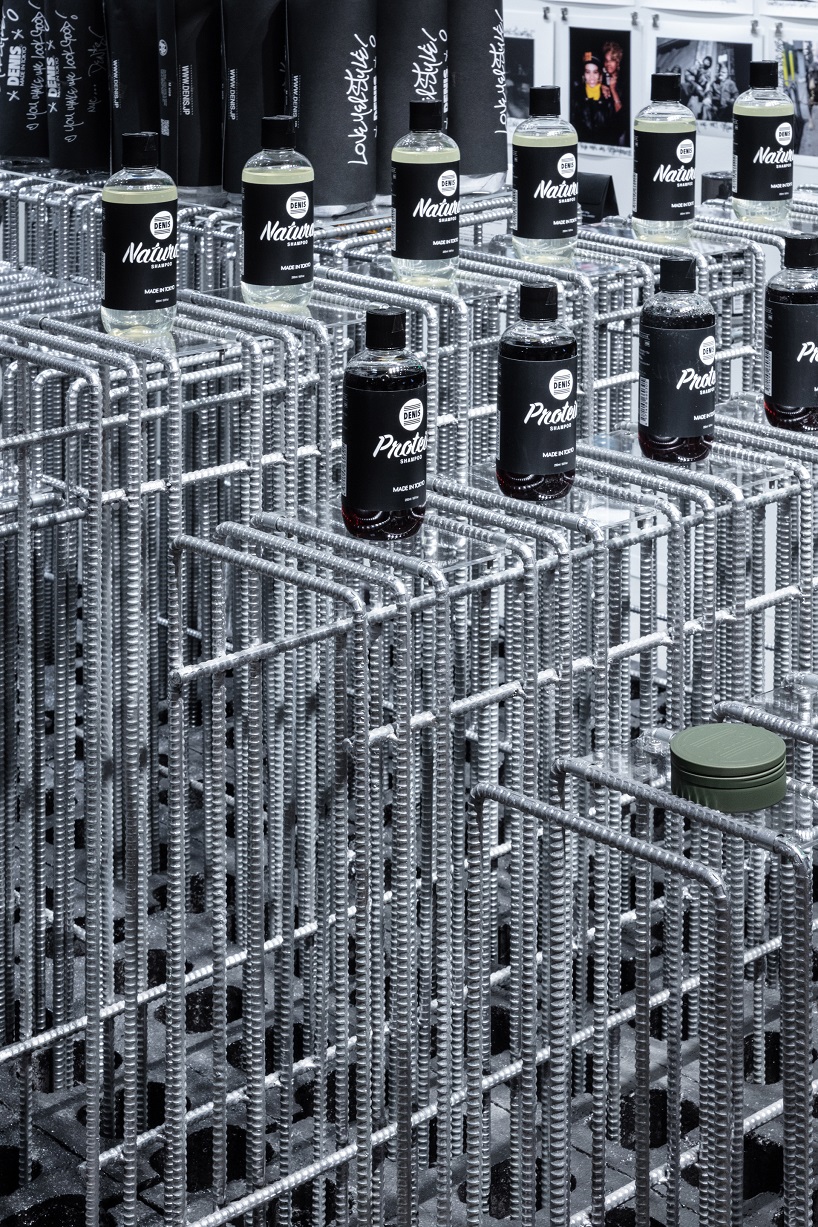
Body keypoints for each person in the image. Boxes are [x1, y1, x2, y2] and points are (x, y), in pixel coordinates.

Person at [573, 51, 617, 145]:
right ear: (583, 75)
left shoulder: (607, 96)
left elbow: (613, 128)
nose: (592, 77)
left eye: (595, 72)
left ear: (600, 75)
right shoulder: (577, 96)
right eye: (588, 72)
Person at [601, 40, 627, 145]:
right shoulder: (603, 78)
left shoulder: (624, 81)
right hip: (606, 130)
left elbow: (621, 113)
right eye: (606, 61)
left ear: (618, 62)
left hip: (620, 132)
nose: (608, 64)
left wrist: (612, 89)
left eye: (612, 60)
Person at [684, 55, 714, 119]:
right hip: (693, 91)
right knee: (691, 108)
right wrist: (694, 84)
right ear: (704, 60)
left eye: (709, 61)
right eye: (707, 60)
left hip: (702, 92)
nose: (708, 62)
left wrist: (706, 88)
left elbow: (704, 81)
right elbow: (687, 74)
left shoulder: (708, 72)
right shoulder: (696, 66)